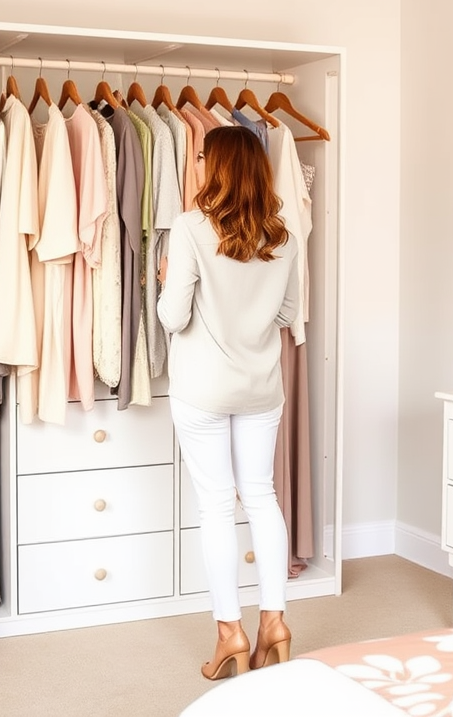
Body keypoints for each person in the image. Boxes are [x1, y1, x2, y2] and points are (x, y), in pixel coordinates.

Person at [157, 125, 299, 680]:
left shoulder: (190, 228)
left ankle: (230, 634)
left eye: (199, 157)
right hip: (262, 385)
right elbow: (287, 314)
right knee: (261, 496)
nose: (194, 163)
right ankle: (274, 626)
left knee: (217, 505)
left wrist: (164, 276)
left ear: (216, 167)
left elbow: (173, 317)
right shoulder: (284, 234)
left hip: (204, 389)